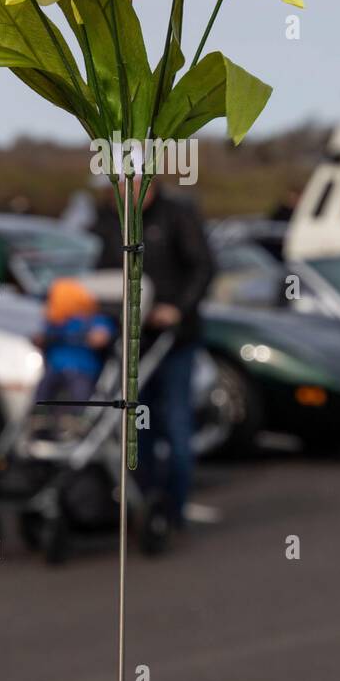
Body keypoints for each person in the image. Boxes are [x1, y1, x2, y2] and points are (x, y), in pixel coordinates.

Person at [92, 179, 214, 528]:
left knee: (176, 425)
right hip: (134, 344)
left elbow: (202, 267)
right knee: (136, 428)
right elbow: (104, 274)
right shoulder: (112, 220)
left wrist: (177, 307)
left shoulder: (177, 215)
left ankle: (175, 508)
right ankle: (142, 504)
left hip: (174, 340)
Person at [35, 278, 116, 405]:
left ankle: (80, 418)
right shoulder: (55, 322)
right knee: (42, 391)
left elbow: (102, 336)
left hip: (82, 370)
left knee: (80, 393)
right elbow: (39, 337)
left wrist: (95, 336)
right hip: (55, 368)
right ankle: (38, 416)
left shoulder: (93, 319)